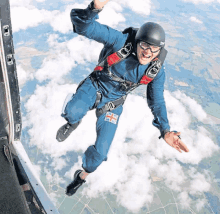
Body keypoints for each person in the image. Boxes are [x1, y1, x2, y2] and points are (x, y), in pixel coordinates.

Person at [56, 0, 189, 196]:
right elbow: (83, 26)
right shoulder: (120, 41)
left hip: (114, 103)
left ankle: (81, 176)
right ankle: (72, 120)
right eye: (144, 45)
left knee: (100, 154)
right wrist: (95, 8)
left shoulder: (156, 71)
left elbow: (157, 101)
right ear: (137, 41)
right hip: (95, 86)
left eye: (155, 49)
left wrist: (165, 130)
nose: (148, 52)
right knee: (72, 112)